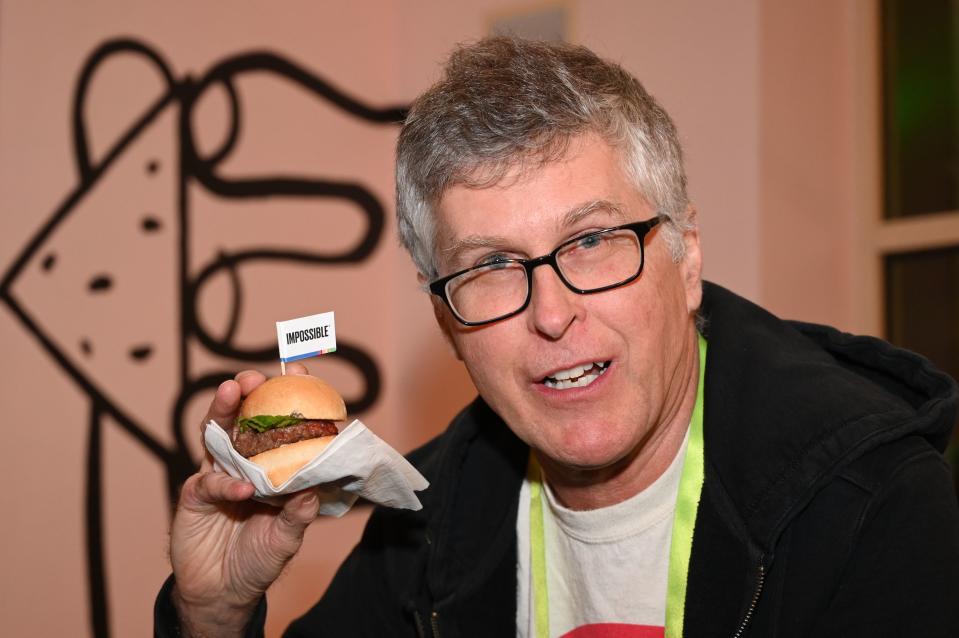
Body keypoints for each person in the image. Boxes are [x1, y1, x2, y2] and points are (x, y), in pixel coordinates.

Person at [156, 37, 959, 637]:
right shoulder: (426, 525)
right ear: (448, 324)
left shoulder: (870, 507)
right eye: (493, 265)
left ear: (684, 256)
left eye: (589, 242)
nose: (550, 312)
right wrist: (213, 612)